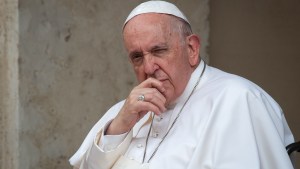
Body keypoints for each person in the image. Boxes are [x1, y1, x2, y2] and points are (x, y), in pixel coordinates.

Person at [69, 1, 295, 169]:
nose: (148, 67)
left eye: (159, 50)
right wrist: (119, 126)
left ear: (192, 49)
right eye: (137, 57)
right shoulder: (127, 109)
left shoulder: (239, 99)